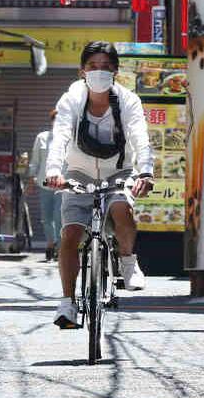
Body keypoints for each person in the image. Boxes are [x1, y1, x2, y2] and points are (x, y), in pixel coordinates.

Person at [44, 41, 154, 329]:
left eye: (106, 67)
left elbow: (140, 136)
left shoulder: (129, 100)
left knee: (121, 210)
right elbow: (61, 136)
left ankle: (128, 262)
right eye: (93, 66)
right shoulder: (71, 99)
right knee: (70, 235)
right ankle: (67, 303)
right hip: (77, 173)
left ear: (116, 71)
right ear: (82, 71)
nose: (99, 72)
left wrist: (146, 172)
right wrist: (55, 171)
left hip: (119, 171)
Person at [29, 110, 61, 261]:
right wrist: (31, 178)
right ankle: (51, 244)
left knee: (59, 217)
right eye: (55, 119)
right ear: (51, 121)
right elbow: (35, 161)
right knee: (46, 218)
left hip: (62, 186)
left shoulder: (70, 139)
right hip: (44, 183)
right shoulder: (41, 138)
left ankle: (60, 248)